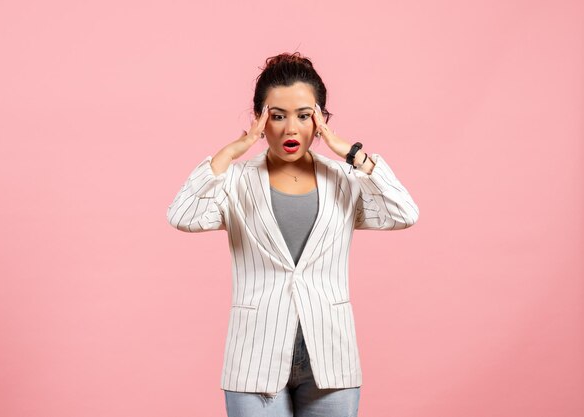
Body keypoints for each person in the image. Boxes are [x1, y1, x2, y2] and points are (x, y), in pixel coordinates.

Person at [166, 52, 419, 417]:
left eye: (303, 116)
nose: (290, 129)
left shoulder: (345, 180)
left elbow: (404, 212)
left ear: (320, 120)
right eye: (277, 116)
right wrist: (233, 150)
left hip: (330, 357)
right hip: (254, 357)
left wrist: (353, 153)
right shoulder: (235, 182)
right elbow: (182, 214)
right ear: (259, 120)